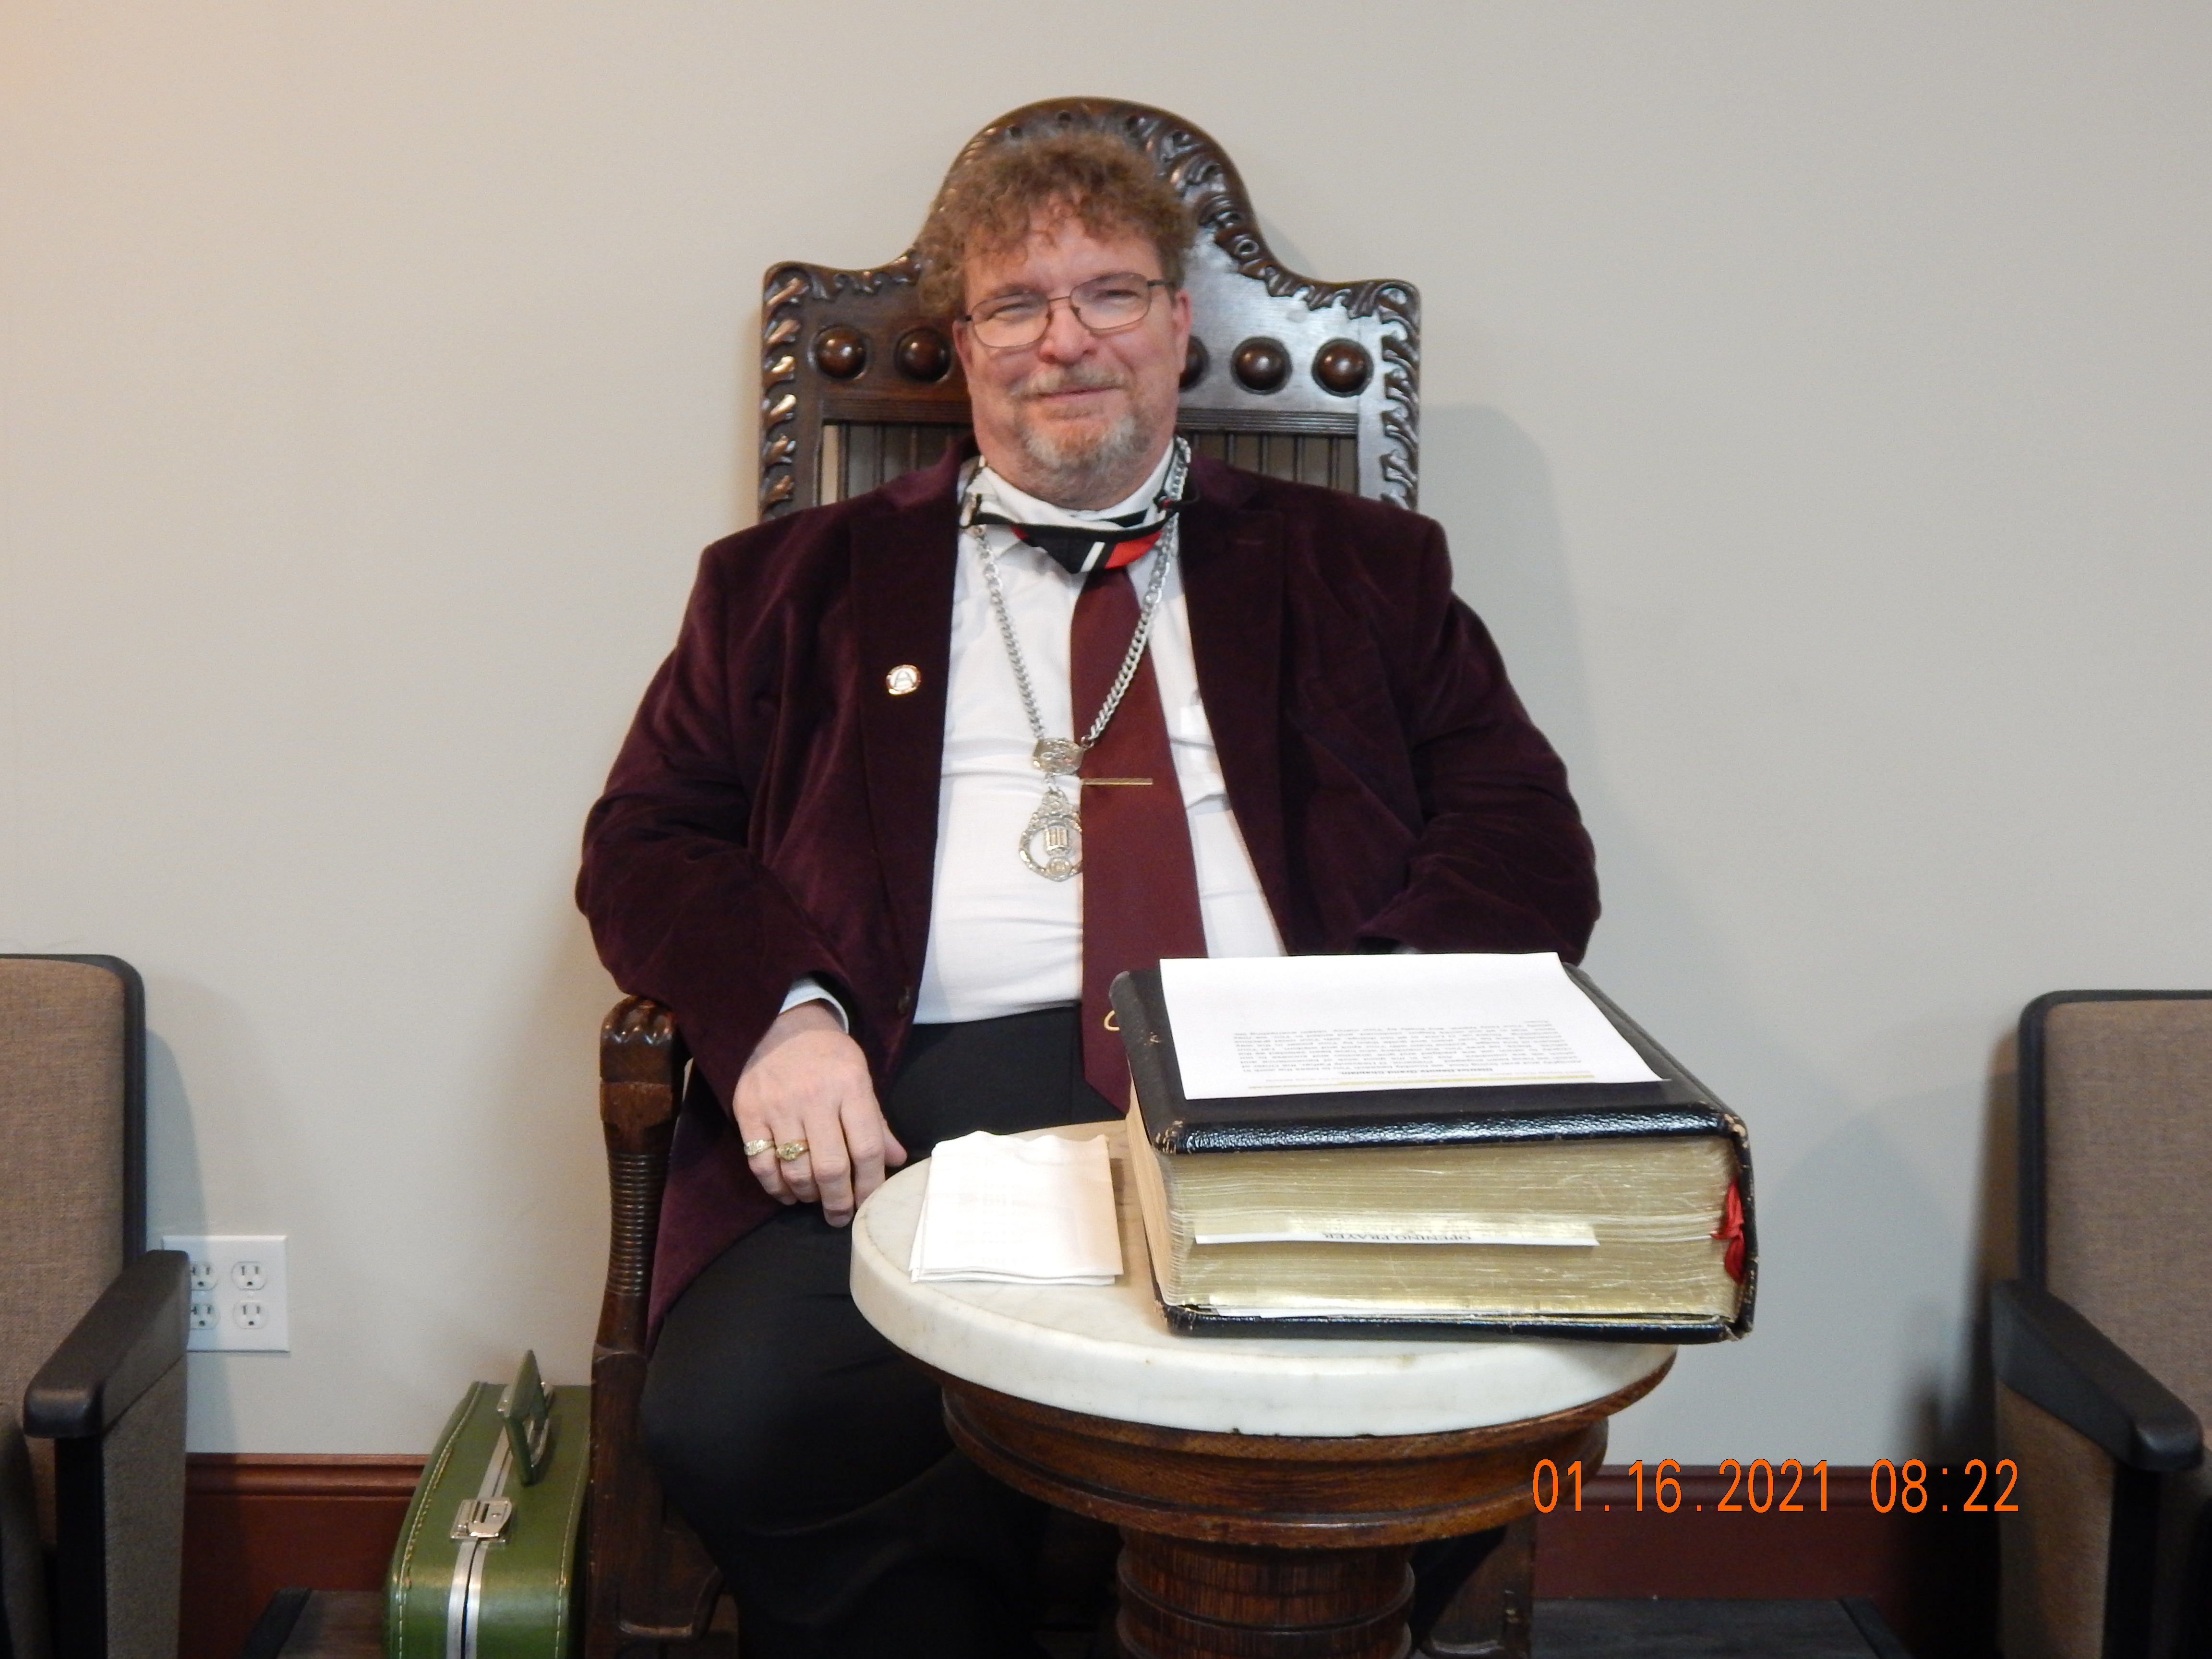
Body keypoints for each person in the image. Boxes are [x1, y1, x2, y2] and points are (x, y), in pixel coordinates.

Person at [578, 128, 1598, 1659]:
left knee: (1488, 1401)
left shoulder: (1364, 567)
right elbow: (650, 836)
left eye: (1111, 293)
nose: (1066, 340)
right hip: (912, 1096)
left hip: (1282, 1083)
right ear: (965, 347)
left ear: (1179, 326)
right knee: (740, 1416)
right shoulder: (784, 584)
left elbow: (1522, 831)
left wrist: (1374, 1029)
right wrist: (783, 1020)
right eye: (1017, 303)